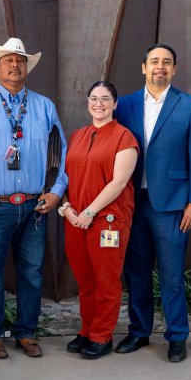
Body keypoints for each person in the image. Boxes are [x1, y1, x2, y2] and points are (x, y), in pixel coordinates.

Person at [0, 38, 68, 359]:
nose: (14, 65)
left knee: (32, 272)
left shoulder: (44, 106)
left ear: (26, 68)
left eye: (20, 60)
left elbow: (61, 154)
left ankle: (26, 332)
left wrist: (56, 192)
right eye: (8, 60)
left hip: (35, 206)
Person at [115, 43, 191, 363]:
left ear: (174, 69)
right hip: (132, 203)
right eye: (154, 61)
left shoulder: (190, 104)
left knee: (171, 275)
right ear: (143, 67)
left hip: (171, 205)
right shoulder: (124, 105)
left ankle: (177, 336)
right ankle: (140, 331)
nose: (160, 67)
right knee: (136, 272)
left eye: (166, 62)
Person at [60, 81, 139, 360]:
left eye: (106, 99)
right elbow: (66, 177)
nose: (99, 104)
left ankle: (102, 335)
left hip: (107, 220)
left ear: (115, 104)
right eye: (94, 98)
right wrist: (66, 206)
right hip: (74, 219)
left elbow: (118, 183)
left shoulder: (124, 137)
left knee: (106, 280)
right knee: (86, 280)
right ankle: (87, 329)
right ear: (88, 102)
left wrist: (90, 212)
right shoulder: (79, 135)